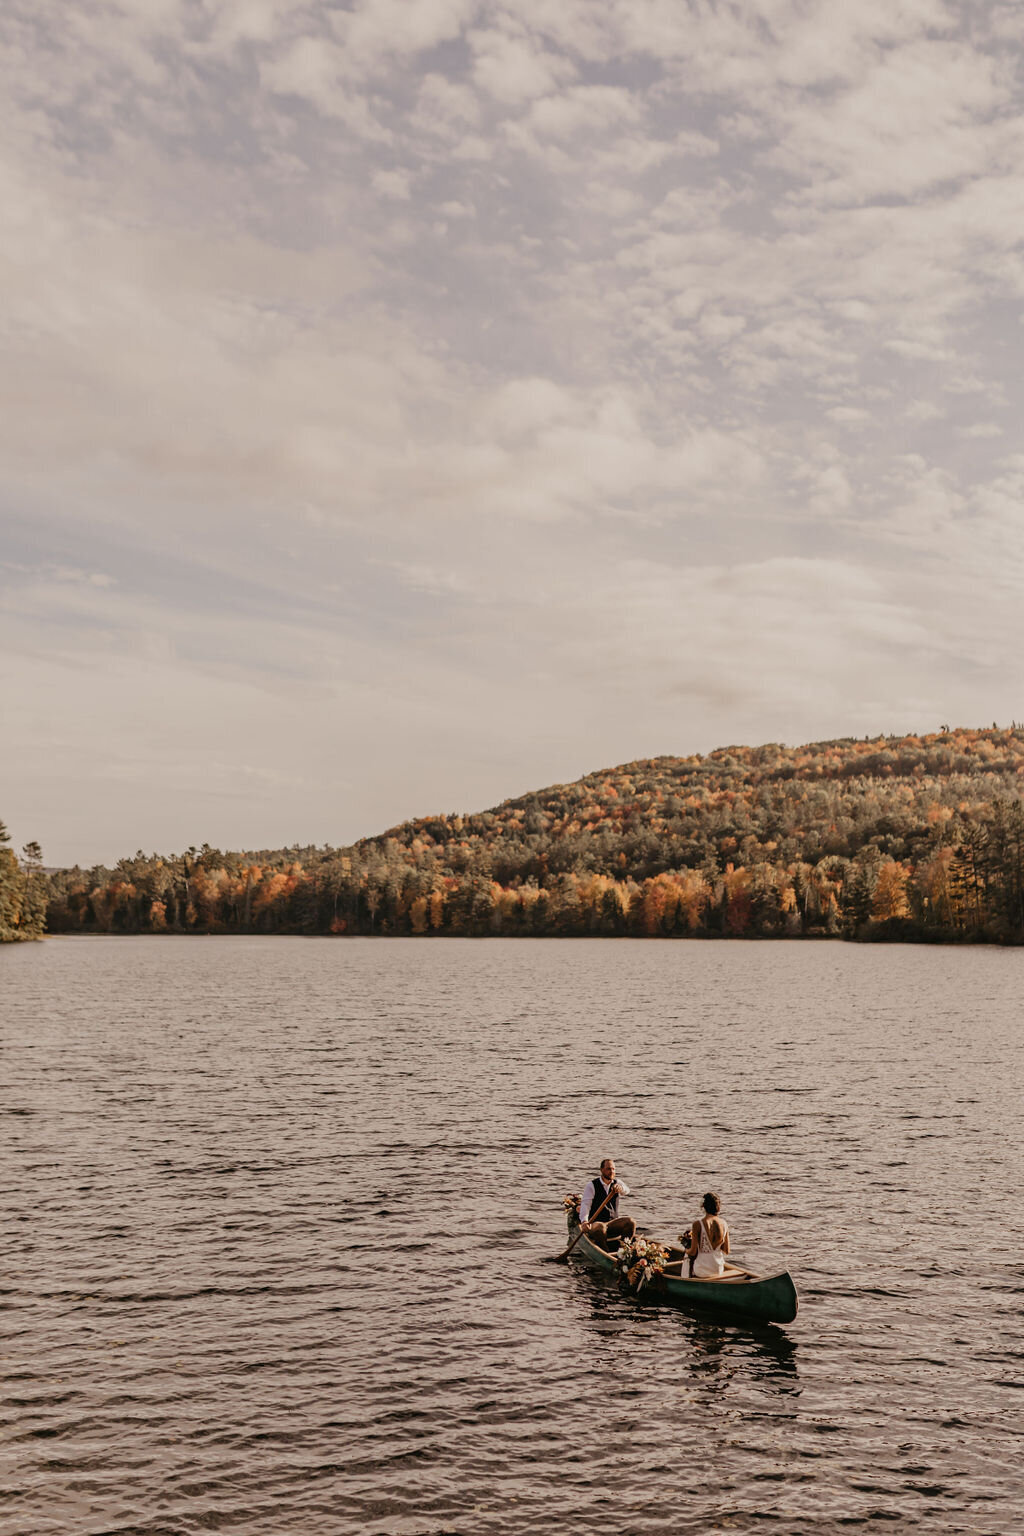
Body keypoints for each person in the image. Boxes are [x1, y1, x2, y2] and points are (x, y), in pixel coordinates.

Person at [578, 1158, 636, 1249]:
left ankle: (625, 1250)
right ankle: (606, 1252)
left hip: (612, 1223)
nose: (612, 1171)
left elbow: (627, 1190)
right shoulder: (592, 1185)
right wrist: (584, 1221)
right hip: (596, 1224)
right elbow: (585, 1205)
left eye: (613, 1169)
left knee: (631, 1222)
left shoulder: (617, 1183)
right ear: (602, 1170)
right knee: (601, 1227)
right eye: (609, 1169)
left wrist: (620, 1188)